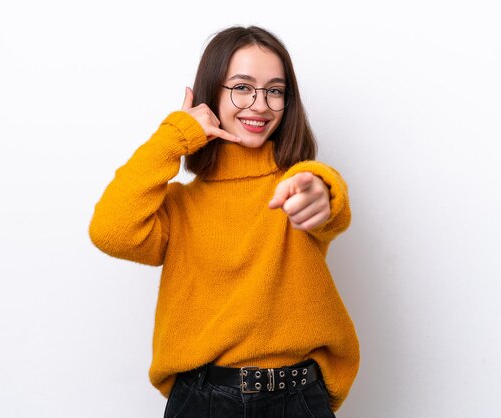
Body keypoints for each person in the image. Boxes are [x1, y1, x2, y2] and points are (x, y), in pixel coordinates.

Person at [89, 25, 359, 417]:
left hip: (298, 398)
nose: (261, 105)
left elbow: (327, 203)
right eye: (242, 87)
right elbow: (111, 230)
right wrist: (175, 136)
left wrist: (321, 189)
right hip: (202, 400)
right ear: (211, 93)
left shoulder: (296, 186)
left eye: (275, 90)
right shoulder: (179, 207)